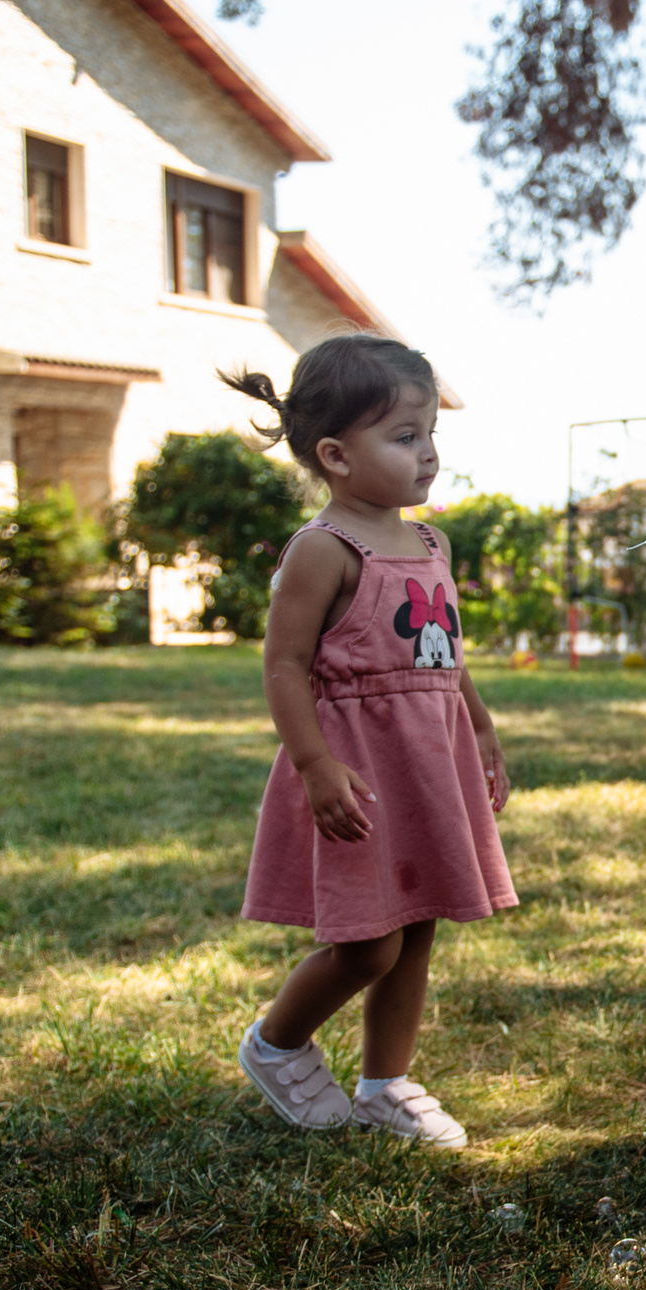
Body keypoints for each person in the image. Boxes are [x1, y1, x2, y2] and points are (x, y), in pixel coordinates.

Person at [230, 335, 512, 1148]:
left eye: (430, 434)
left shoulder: (432, 544)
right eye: (404, 436)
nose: (427, 454)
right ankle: (277, 1042)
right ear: (335, 455)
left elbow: (445, 655)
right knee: (367, 942)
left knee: (418, 923)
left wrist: (483, 729)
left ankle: (386, 1082)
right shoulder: (323, 549)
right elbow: (283, 665)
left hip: (430, 761)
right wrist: (316, 764)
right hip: (359, 769)